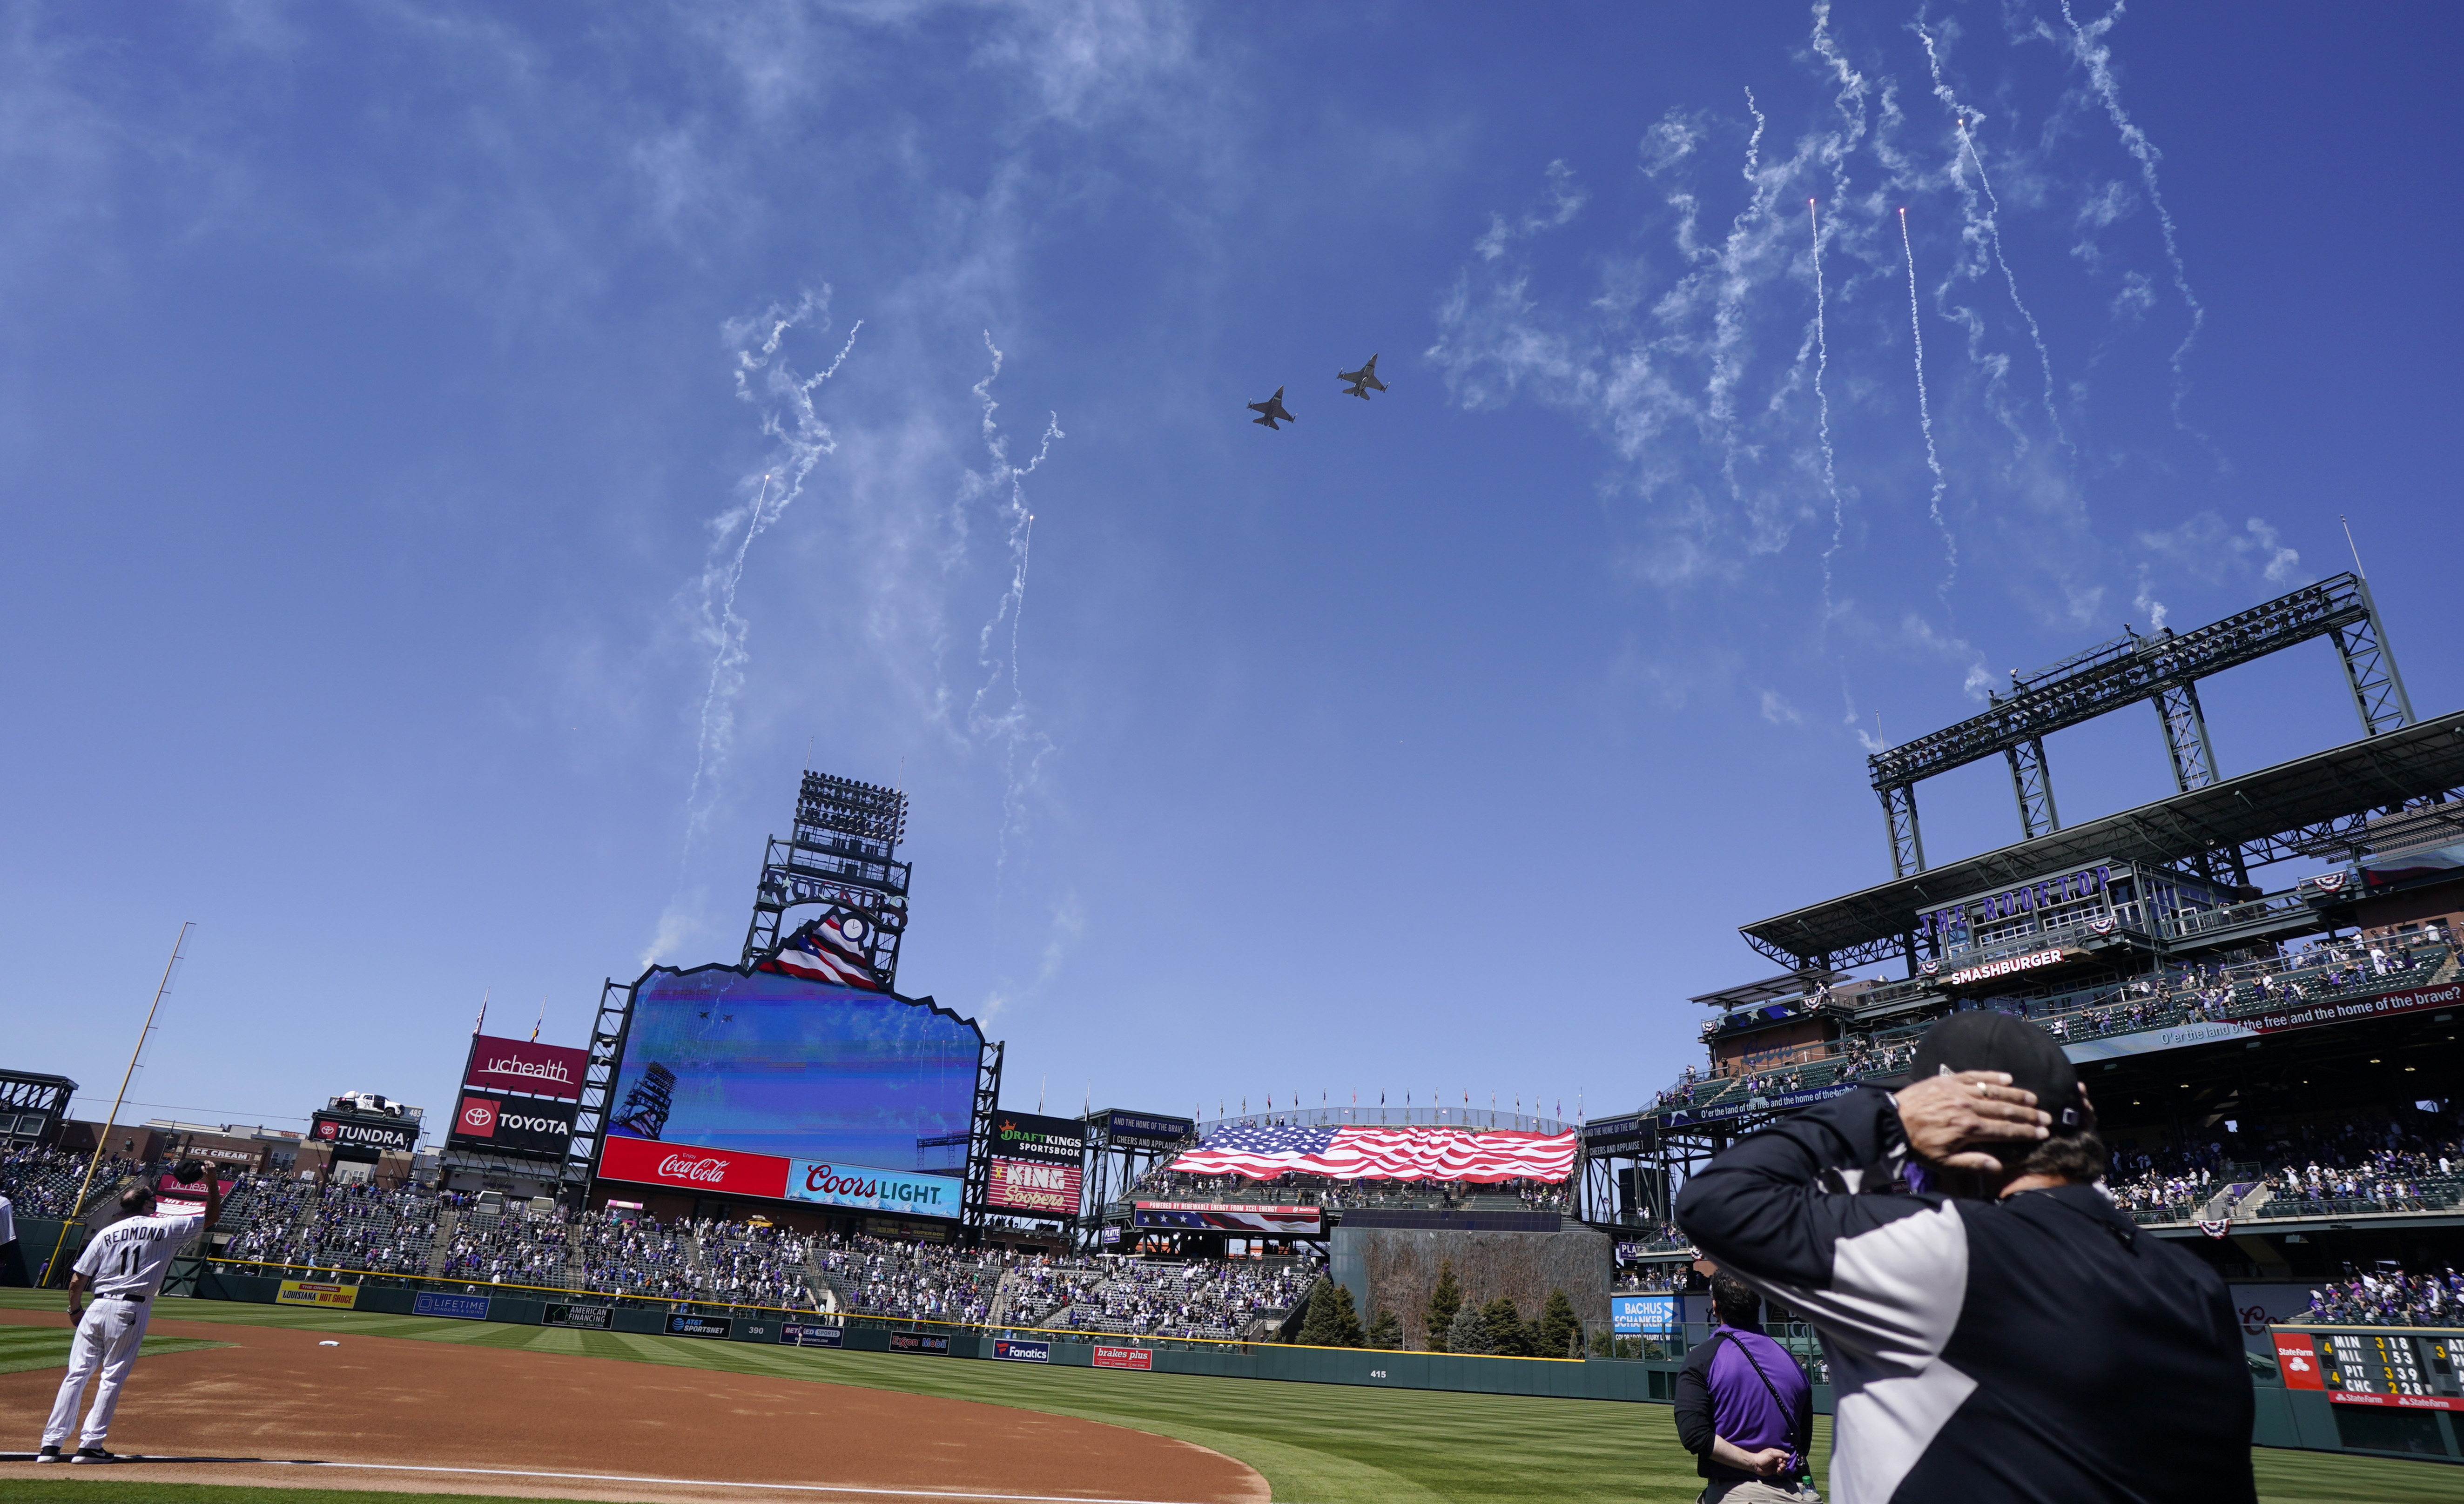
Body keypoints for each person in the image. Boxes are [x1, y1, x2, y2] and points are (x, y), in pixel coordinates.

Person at [1675, 1012, 2253, 1504]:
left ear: (1954, 1129)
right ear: (2082, 1110)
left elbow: (1715, 1202)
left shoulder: (1948, 1250)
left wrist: (1887, 1117)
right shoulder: (2194, 1282)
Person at [37, 1163, 221, 1464]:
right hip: (130, 1308)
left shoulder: (106, 1233)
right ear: (148, 1205)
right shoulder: (165, 1227)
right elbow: (212, 1217)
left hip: (95, 1307)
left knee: (76, 1375)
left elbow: (77, 1280)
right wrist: (211, 1182)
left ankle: (50, 1446)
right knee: (112, 1376)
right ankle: (90, 1446)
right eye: (152, 1197)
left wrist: (74, 1311)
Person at [1674, 1269, 1817, 1503]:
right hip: (1796, 1493)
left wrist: (1754, 1462)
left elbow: (1695, 1435)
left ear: (1715, 1307)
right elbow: (1804, 1442)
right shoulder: (1790, 1361)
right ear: (1756, 1306)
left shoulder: (1702, 1358)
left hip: (1739, 1493)